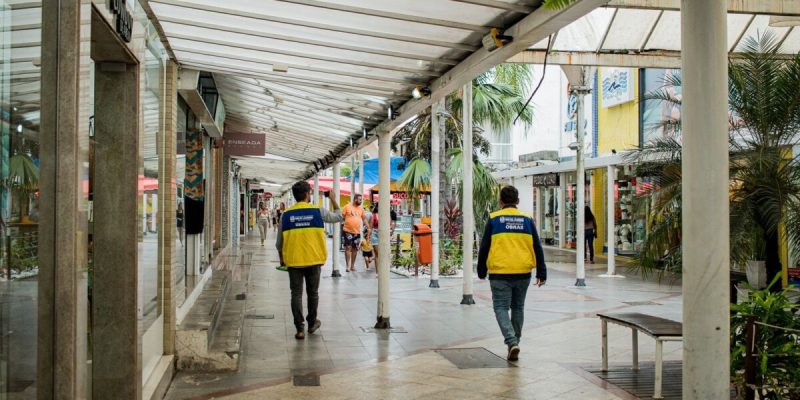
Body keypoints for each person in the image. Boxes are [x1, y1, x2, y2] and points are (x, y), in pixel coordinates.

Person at [477, 185, 547, 361]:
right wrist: (542, 271)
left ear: (500, 201)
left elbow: (484, 246)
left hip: (500, 272)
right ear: (518, 201)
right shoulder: (527, 219)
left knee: (500, 307)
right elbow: (537, 246)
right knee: (518, 307)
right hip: (523, 272)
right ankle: (515, 342)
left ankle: (511, 341)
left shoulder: (494, 218)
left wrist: (481, 269)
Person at [276, 182, 343, 340]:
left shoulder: (286, 215)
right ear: (307, 194)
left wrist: (282, 260)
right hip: (314, 259)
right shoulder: (317, 211)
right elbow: (339, 217)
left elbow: (279, 243)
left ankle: (299, 329)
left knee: (296, 294)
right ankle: (312, 323)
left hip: (294, 260)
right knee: (313, 293)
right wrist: (333, 199)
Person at [341, 194, 369, 272]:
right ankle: (347, 266)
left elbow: (364, 219)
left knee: (355, 249)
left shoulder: (361, 209)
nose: (361, 201)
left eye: (361, 200)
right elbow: (341, 216)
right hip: (347, 231)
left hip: (357, 232)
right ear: (355, 199)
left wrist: (368, 227)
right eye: (359, 200)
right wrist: (343, 223)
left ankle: (352, 266)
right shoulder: (347, 207)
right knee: (348, 247)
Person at [369, 204, 397, 275]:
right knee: (377, 254)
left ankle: (383, 270)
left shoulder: (387, 215)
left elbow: (390, 224)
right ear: (377, 207)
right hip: (375, 234)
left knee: (384, 253)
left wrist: (391, 231)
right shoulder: (373, 215)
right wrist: (368, 237)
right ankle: (378, 272)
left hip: (384, 233)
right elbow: (370, 227)